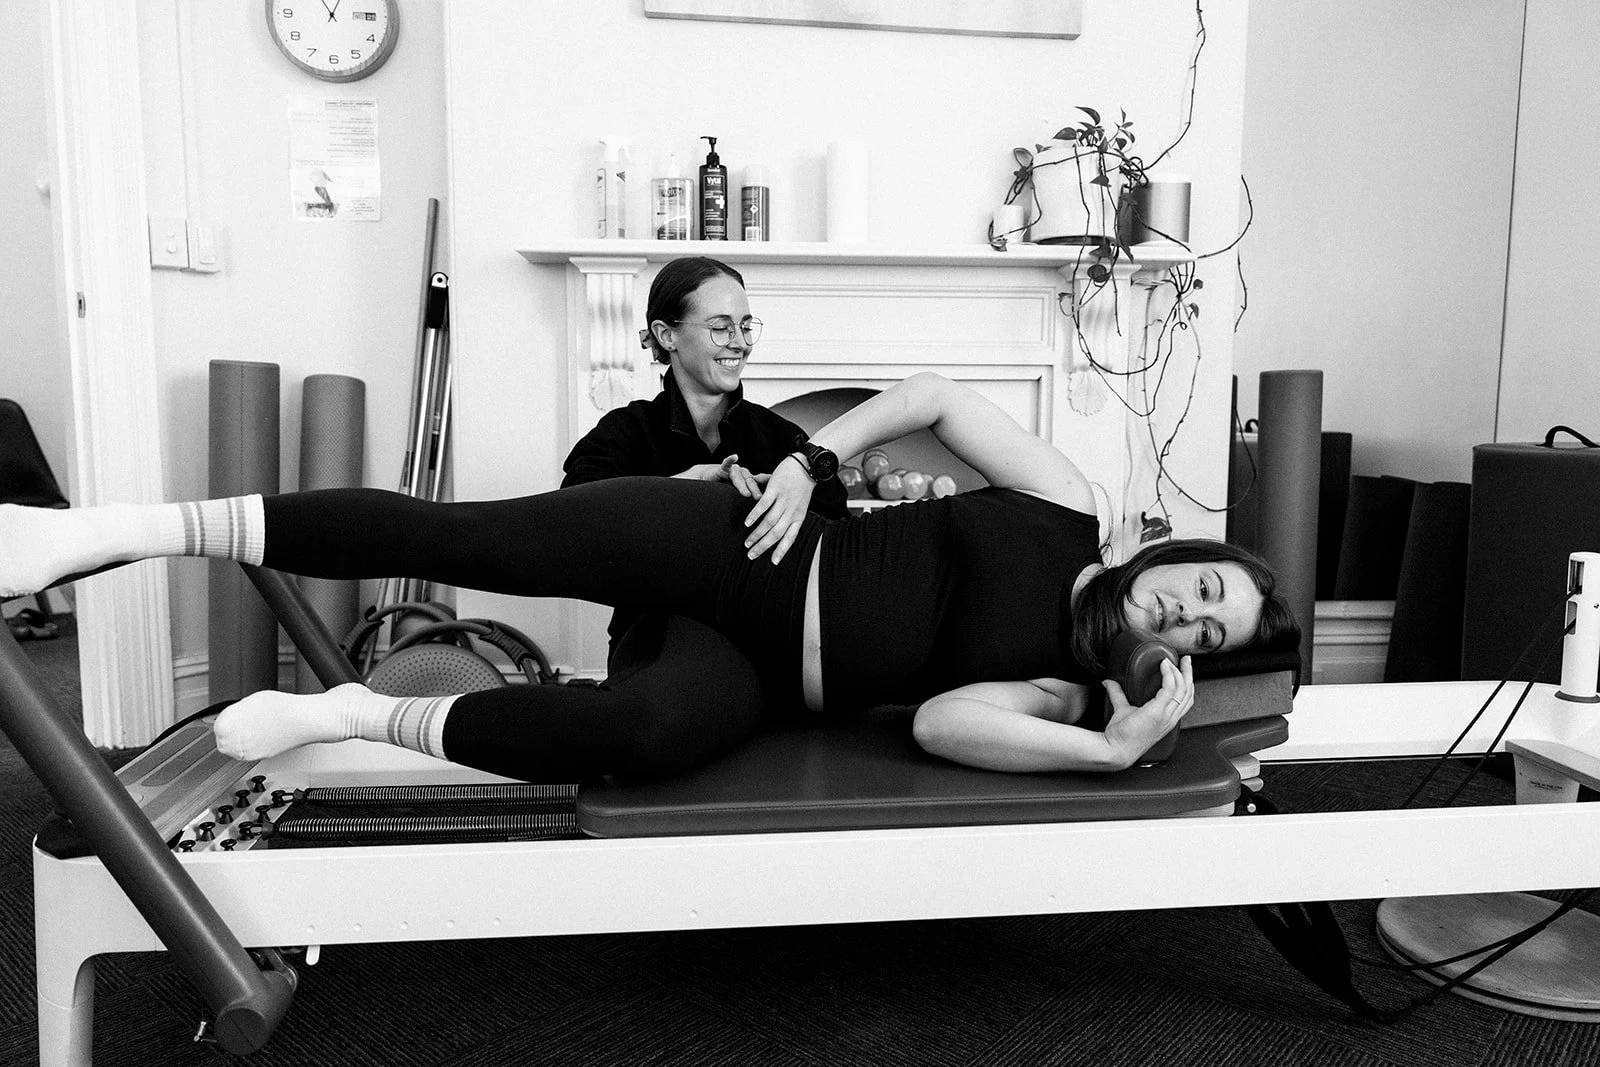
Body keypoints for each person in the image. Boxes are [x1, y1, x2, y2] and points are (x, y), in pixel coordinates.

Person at [0, 372, 1298, 781]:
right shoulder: (1066, 506)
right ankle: (118, 526)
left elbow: (951, 723)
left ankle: (355, 712)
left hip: (749, 673)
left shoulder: (1070, 698)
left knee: (641, 731)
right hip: (736, 541)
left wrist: (1118, 751)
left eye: (1208, 627)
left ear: (1188, 654)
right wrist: (809, 462)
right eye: (1203, 581)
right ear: (1174, 554)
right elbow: (937, 395)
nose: (1188, 605)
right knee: (471, 538)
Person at [561, 255, 847, 660]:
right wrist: (682, 486)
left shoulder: (786, 440)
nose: (740, 342)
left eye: (745, 326)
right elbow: (569, 523)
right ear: (666, 334)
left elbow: (840, 543)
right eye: (720, 327)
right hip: (653, 647)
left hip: (763, 651)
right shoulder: (624, 432)